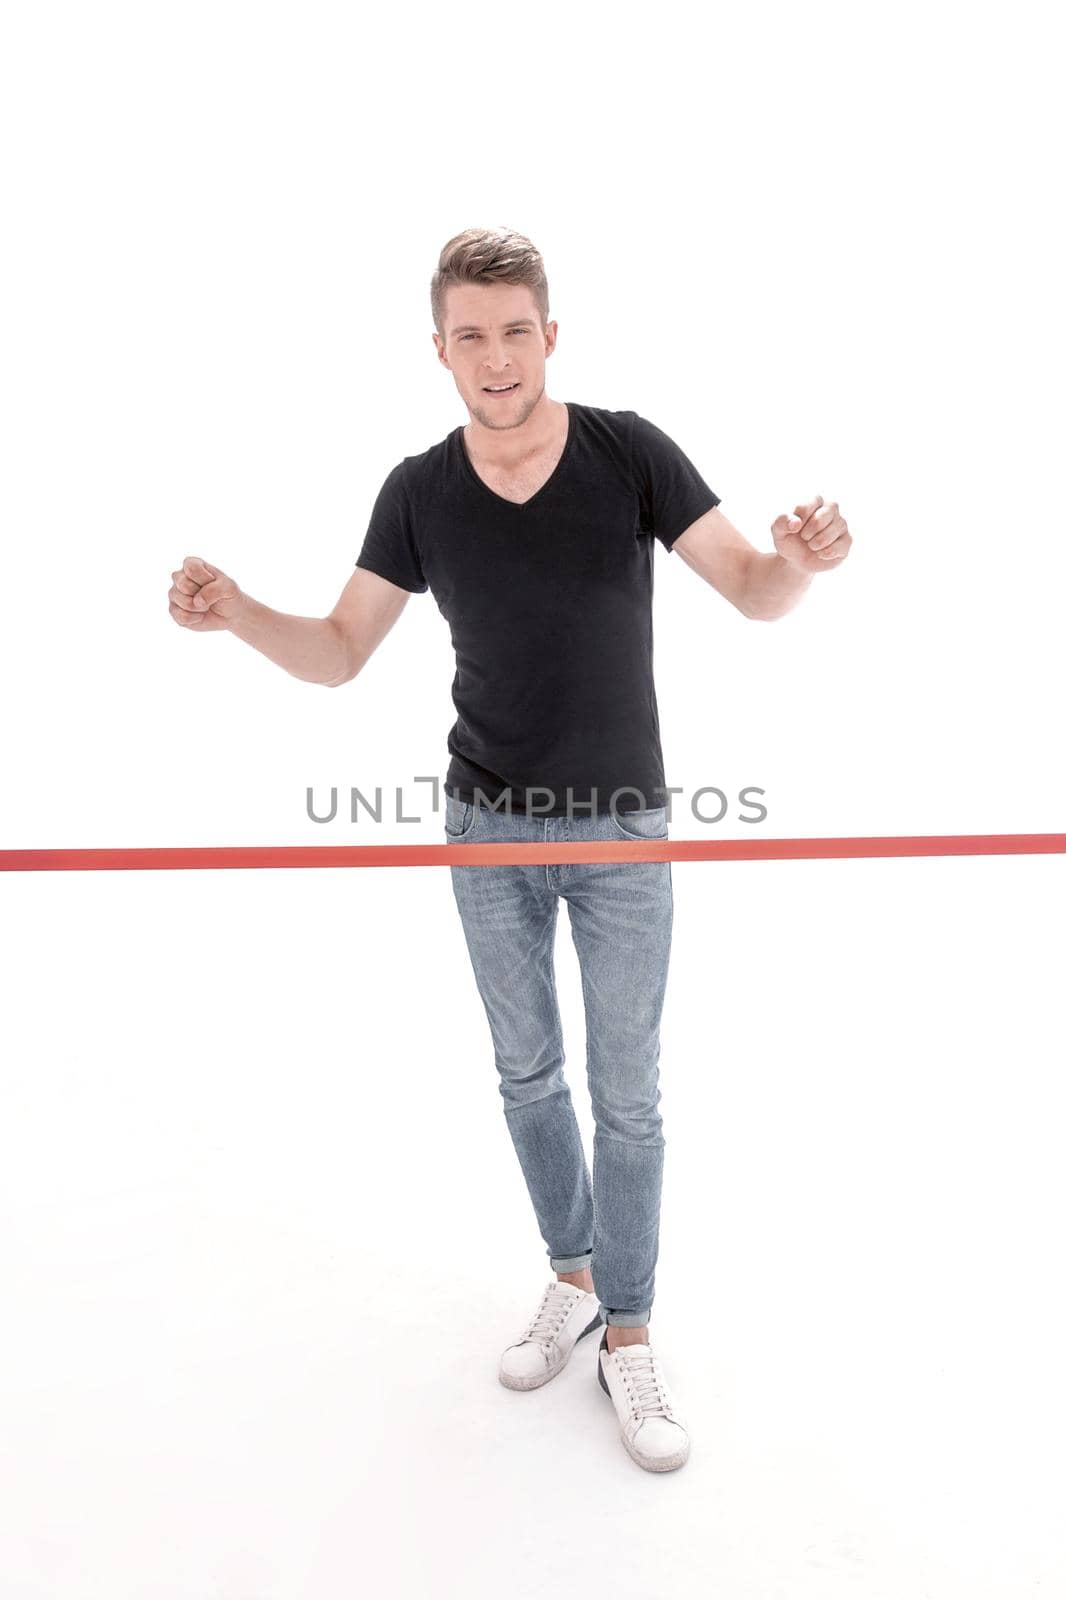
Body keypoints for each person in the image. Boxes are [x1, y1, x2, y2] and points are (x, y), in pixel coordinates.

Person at [167, 225, 853, 1474]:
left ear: (552, 334)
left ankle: (629, 1330)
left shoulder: (629, 452)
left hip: (624, 828)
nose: (496, 357)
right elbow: (335, 653)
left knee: (629, 1094)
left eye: (516, 330)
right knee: (529, 1077)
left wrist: (798, 567)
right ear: (438, 350)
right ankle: (574, 1274)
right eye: (470, 335)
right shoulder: (419, 489)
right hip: (485, 831)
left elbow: (751, 587)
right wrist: (238, 619)